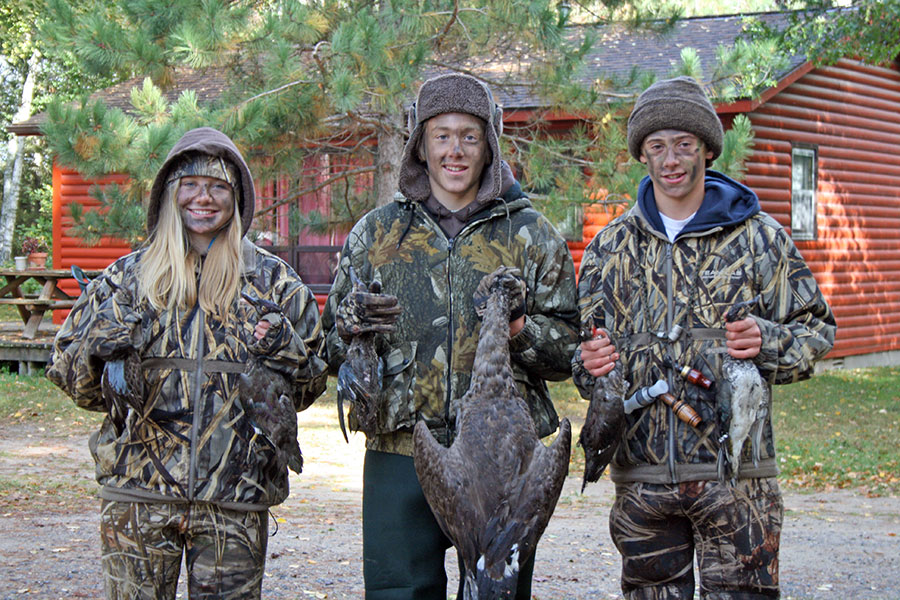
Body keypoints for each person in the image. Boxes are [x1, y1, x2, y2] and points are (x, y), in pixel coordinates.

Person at [573, 76, 836, 599]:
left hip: (737, 480)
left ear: (708, 149)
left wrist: (767, 340)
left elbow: (817, 332)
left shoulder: (761, 238)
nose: (671, 160)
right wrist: (592, 363)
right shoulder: (609, 247)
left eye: (684, 144)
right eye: (657, 146)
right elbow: (584, 362)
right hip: (643, 483)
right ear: (642, 155)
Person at [321, 73, 580, 599]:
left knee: (494, 592)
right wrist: (351, 325)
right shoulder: (375, 234)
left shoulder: (531, 234)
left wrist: (520, 330)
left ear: (490, 145)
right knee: (398, 593)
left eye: (469, 135)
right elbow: (330, 349)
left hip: (502, 461)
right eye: (441, 135)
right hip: (399, 451)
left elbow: (569, 351)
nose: (455, 150)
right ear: (421, 146)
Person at [46, 127, 329, 599]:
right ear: (169, 194)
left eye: (218, 186)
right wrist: (97, 348)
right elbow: (73, 381)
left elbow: (310, 386)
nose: (204, 197)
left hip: (235, 499)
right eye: (191, 185)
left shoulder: (273, 282)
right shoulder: (125, 279)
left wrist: (287, 350)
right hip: (137, 494)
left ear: (236, 198)